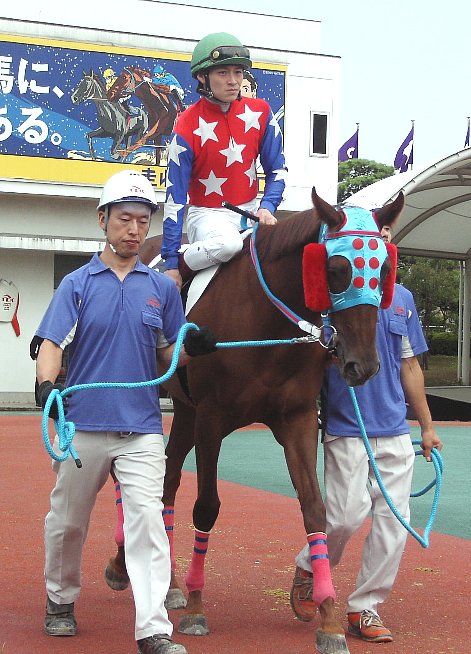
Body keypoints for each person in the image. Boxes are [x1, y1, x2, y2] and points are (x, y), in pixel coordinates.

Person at [34, 169, 217, 654]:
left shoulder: (160, 288)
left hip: (141, 428)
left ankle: (153, 629)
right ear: (103, 220)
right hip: (83, 424)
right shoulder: (76, 284)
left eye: (142, 220)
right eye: (124, 219)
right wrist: (47, 385)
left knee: (148, 524)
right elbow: (51, 344)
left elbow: (168, 355)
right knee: (67, 522)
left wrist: (193, 347)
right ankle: (60, 600)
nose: (134, 229)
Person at [290, 223, 442, 643]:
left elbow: (410, 365)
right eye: (374, 231)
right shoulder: (328, 299)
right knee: (344, 516)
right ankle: (310, 564)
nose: (382, 236)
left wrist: (427, 426)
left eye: (386, 230)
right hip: (346, 425)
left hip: (394, 427)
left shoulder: (402, 298)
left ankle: (364, 607)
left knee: (395, 522)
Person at [160, 32, 287, 289]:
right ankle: (184, 262)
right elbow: (175, 199)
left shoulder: (261, 112)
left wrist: (267, 207)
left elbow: (278, 170)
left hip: (251, 212)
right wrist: (171, 262)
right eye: (223, 73)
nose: (233, 81)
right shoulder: (186, 125)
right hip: (207, 216)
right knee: (229, 245)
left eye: (238, 72)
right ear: (202, 77)